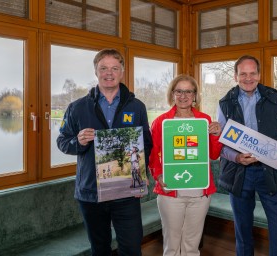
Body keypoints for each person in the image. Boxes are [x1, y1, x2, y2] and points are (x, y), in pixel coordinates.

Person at [56, 48, 152, 256]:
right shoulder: (77, 107)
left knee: (132, 249)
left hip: (127, 192)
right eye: (103, 68)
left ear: (122, 72)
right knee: (100, 250)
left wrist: (142, 175)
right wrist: (78, 142)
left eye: (114, 68)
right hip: (91, 193)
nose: (109, 73)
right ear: (96, 72)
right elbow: (63, 142)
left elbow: (147, 144)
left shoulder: (137, 107)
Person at [217, 55, 277, 256]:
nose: (248, 78)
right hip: (239, 173)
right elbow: (220, 144)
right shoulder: (224, 104)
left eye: (252, 73)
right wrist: (237, 157)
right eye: (243, 74)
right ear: (235, 76)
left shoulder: (274, 100)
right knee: (242, 229)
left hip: (270, 172)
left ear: (259, 74)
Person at [149, 74, 223, 256]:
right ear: (172, 94)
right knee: (172, 246)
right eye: (179, 91)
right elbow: (152, 155)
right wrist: (158, 175)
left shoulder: (204, 120)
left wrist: (215, 135)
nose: (183, 96)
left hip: (199, 193)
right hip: (171, 192)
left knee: (192, 245)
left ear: (195, 95)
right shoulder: (161, 122)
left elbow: (214, 154)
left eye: (188, 91)